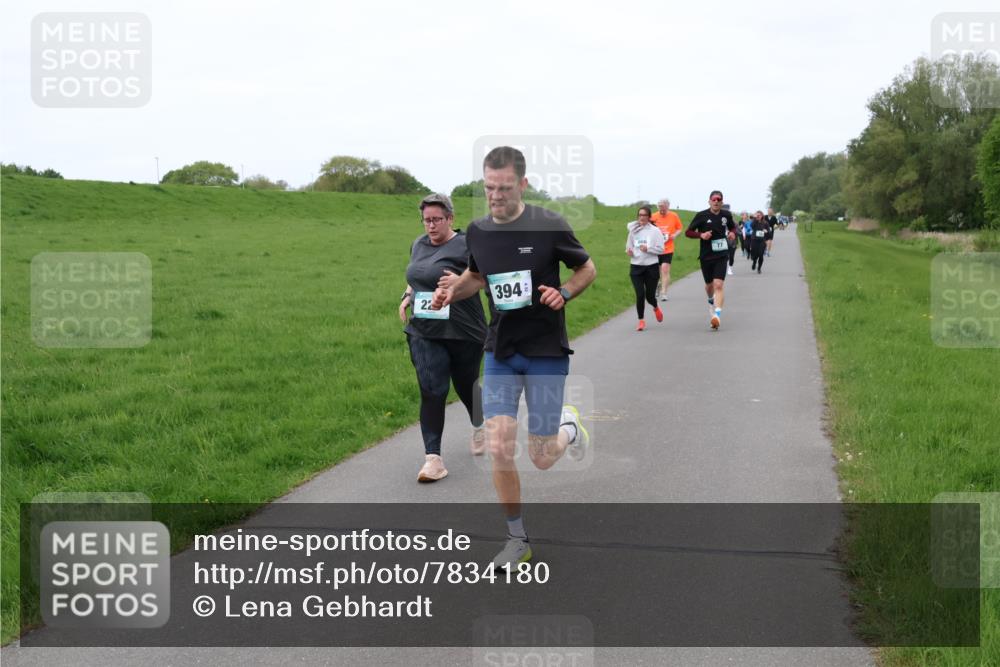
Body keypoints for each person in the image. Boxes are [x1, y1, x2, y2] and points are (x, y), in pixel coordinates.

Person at [431, 146, 597, 569]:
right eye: (489, 188)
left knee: (541, 457)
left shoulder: (549, 225)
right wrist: (453, 290)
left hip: (544, 350)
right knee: (500, 445)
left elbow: (587, 270)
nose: (496, 196)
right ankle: (516, 539)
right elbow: (477, 277)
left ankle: (570, 428)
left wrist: (564, 293)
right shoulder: (480, 230)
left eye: (504, 188)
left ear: (522, 184)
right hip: (500, 350)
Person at [400, 193, 488, 482]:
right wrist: (406, 296)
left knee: (466, 386)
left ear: (450, 218)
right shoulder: (418, 244)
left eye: (437, 219)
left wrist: (459, 281)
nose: (431, 225)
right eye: (427, 220)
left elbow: (486, 275)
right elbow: (416, 276)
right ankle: (433, 460)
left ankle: (479, 424)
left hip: (464, 330)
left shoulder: (467, 243)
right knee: (432, 388)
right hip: (425, 328)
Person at [684, 190, 737, 330]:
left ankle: (717, 315)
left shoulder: (726, 215)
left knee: (718, 285)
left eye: (718, 199)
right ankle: (710, 301)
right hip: (706, 256)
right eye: (713, 199)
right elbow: (688, 232)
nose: (716, 201)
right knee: (709, 286)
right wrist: (701, 235)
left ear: (722, 202)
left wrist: (732, 232)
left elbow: (732, 226)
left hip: (721, 254)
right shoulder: (702, 216)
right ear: (709, 201)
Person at [626, 206, 665, 331]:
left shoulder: (655, 231)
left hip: (651, 267)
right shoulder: (633, 230)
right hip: (636, 266)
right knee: (640, 294)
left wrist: (648, 249)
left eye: (644, 215)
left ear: (649, 217)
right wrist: (629, 251)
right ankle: (641, 320)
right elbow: (629, 246)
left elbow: (661, 249)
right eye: (640, 215)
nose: (641, 217)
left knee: (649, 296)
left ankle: (655, 306)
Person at [650, 198, 683, 301]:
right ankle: (658, 285)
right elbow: (648, 228)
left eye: (663, 208)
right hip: (656, 248)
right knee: (656, 271)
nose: (662, 210)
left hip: (668, 248)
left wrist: (674, 235)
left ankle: (664, 293)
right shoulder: (654, 216)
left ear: (668, 206)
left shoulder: (674, 216)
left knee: (665, 269)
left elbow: (679, 228)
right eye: (660, 207)